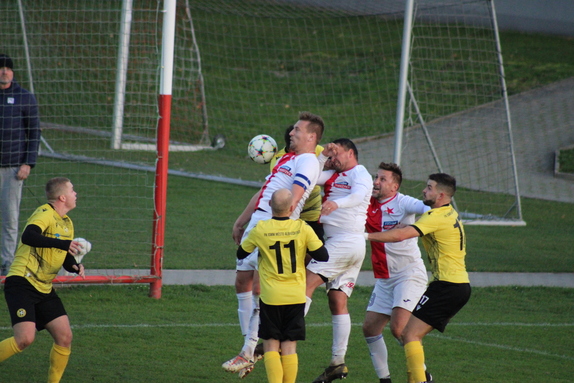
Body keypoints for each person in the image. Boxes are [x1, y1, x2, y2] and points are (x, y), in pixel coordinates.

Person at [223, 112, 325, 376]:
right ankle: (250, 344)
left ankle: (248, 351)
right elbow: (264, 192)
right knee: (242, 281)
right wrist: (240, 221)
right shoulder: (287, 160)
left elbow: (294, 198)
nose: (291, 133)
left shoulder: (308, 162)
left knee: (262, 288)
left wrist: (278, 230)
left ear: (311, 137)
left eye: (297, 130)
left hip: (270, 230)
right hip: (258, 225)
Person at [366, 173, 471, 383]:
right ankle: (420, 378)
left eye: (429, 187)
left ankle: (420, 380)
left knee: (410, 335)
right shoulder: (448, 213)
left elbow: (400, 236)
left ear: (441, 194)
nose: (424, 190)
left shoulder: (435, 217)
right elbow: (407, 229)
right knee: (407, 334)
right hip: (452, 285)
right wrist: (401, 228)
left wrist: (365, 236)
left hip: (448, 286)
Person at [237, 188, 329, 383]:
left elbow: (241, 254)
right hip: (296, 296)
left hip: (271, 297)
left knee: (271, 345)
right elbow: (323, 256)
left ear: (270, 205)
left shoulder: (261, 228)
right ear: (292, 207)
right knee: (289, 347)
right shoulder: (302, 228)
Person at [0, 177, 86, 383]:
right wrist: (64, 243)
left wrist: (74, 266)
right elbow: (29, 236)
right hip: (22, 282)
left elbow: (63, 254)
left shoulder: (67, 223)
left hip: (44, 288)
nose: (76, 194)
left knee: (64, 337)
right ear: (62, 197)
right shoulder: (44, 213)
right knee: (24, 339)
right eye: (72, 190)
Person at [305, 138, 373, 383]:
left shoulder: (360, 173)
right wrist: (323, 156)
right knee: (337, 300)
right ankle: (337, 362)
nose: (334, 159)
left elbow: (358, 195)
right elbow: (310, 177)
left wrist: (336, 202)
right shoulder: (332, 173)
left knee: (305, 283)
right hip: (349, 246)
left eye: (337, 154)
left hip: (345, 242)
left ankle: (285, 334)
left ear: (351, 153)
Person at [363, 162, 431, 383]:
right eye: (376, 177)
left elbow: (431, 210)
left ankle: (423, 376)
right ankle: (385, 380)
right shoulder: (366, 202)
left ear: (394, 186)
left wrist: (414, 227)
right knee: (370, 328)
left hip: (408, 273)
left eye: (382, 179)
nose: (376, 182)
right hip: (384, 277)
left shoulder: (403, 202)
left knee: (399, 328)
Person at [0, 54, 41, 275]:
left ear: (13, 72)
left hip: (12, 169)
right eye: (1, 68)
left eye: (8, 68)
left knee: (9, 218)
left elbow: (34, 133)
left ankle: (7, 263)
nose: (4, 71)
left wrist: (28, 163)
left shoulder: (25, 97)